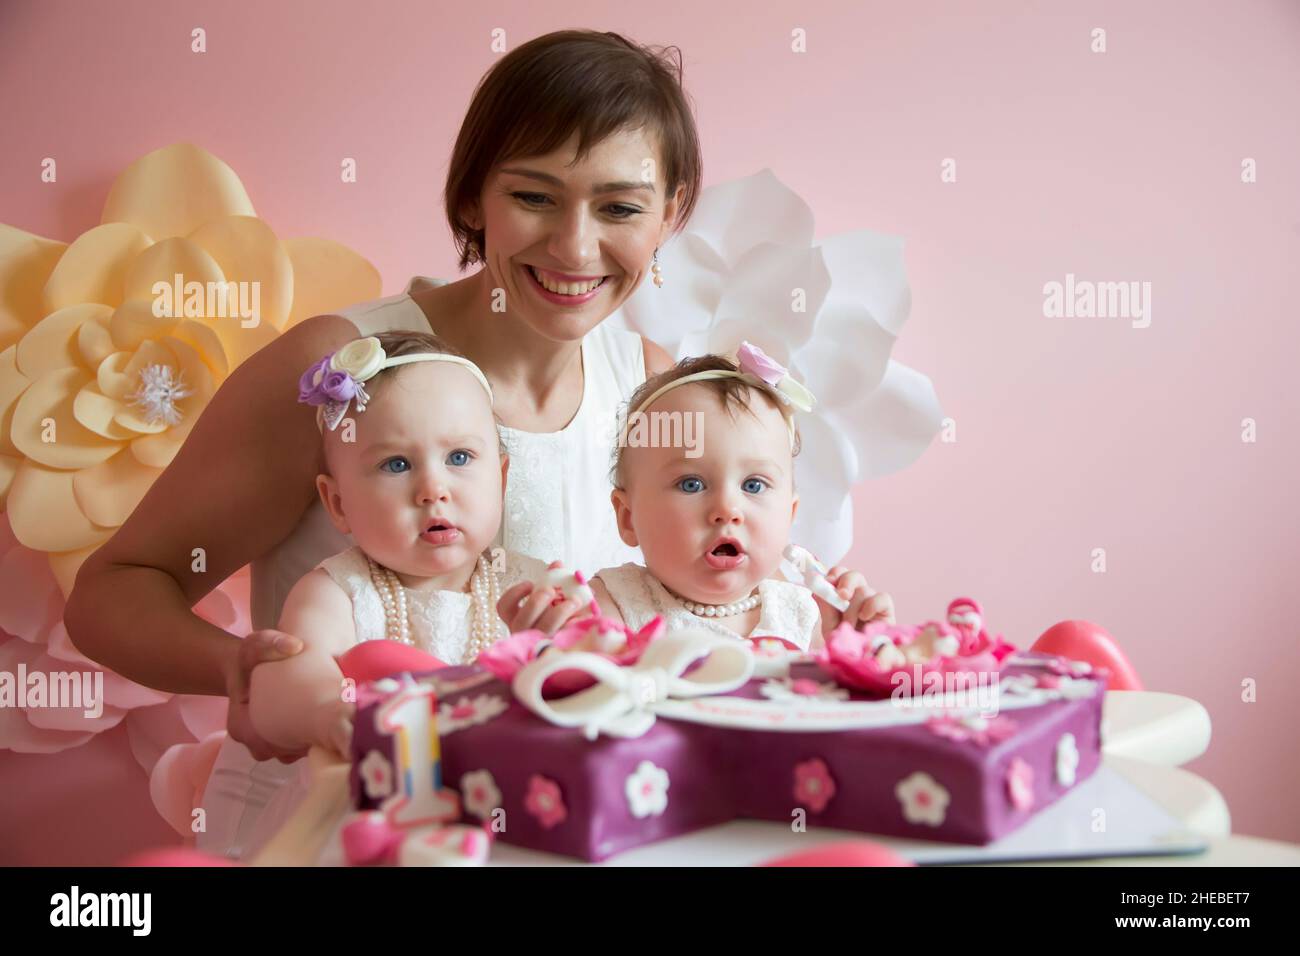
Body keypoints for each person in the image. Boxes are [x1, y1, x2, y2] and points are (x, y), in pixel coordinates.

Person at [65, 30, 702, 767]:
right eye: (534, 196)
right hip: (347, 812)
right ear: (472, 197)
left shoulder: (651, 385)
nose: (575, 247)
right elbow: (112, 591)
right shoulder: (336, 367)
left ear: (670, 212)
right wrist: (245, 669)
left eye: (620, 208)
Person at [589, 344, 895, 651]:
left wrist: (857, 648)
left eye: (753, 485)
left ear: (790, 514)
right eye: (691, 484)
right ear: (628, 517)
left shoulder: (807, 617)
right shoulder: (613, 605)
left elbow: (829, 696)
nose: (727, 509)